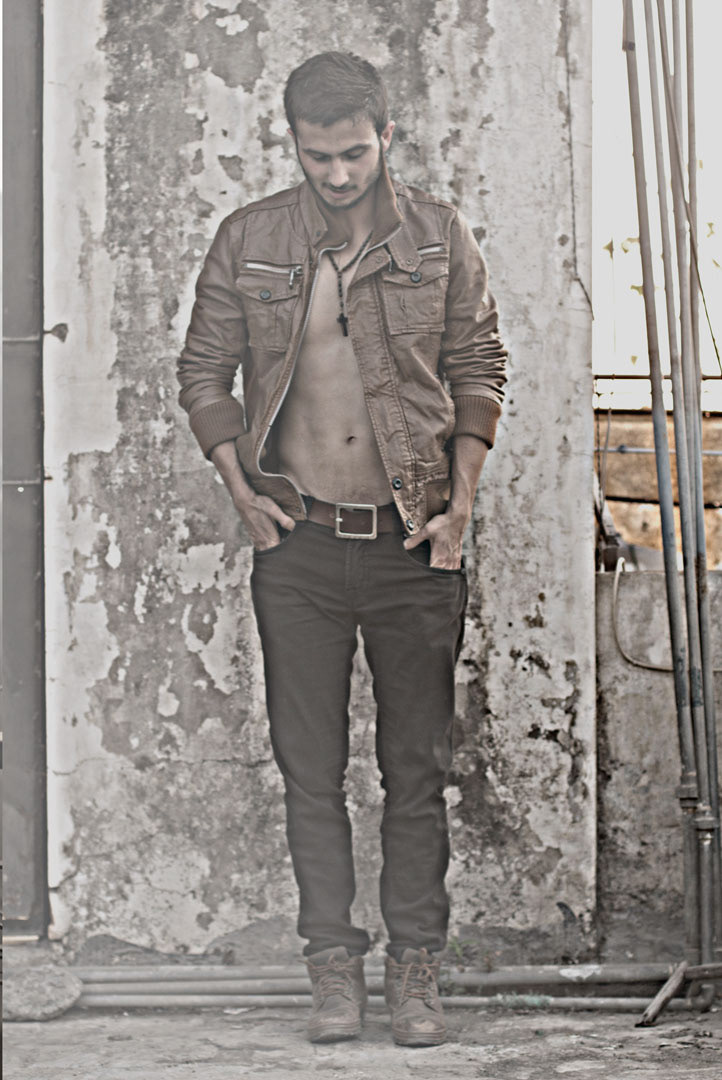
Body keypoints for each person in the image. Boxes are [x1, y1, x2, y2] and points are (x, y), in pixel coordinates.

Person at [178, 51, 507, 1047]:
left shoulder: (438, 235)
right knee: (309, 770)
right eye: (317, 155)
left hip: (413, 545)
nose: (336, 173)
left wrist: (458, 508)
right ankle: (331, 967)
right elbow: (203, 372)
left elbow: (477, 365)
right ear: (293, 143)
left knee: (417, 770)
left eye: (354, 153)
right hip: (302, 547)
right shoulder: (250, 239)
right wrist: (242, 493)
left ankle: (415, 970)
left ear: (385, 137)